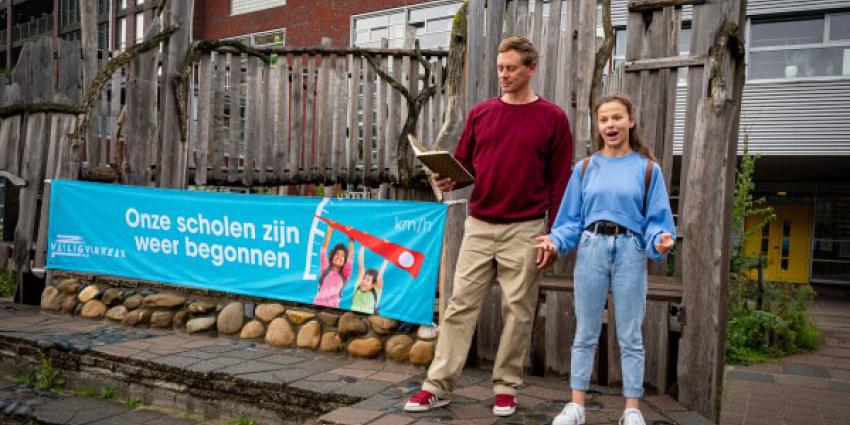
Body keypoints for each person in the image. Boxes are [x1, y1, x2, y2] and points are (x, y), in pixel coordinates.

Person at [404, 36, 573, 417]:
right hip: (479, 225)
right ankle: (437, 385)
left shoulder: (554, 118)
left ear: (532, 68)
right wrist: (450, 180)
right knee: (459, 306)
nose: (504, 75)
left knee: (519, 310)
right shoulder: (481, 113)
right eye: (500, 68)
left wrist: (554, 234)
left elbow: (561, 180)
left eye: (511, 68)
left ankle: (506, 388)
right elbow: (466, 167)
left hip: (527, 229)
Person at [535, 93, 676, 425]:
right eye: (604, 119)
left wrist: (661, 240)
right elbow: (569, 220)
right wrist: (555, 239)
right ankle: (577, 406)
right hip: (591, 249)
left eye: (617, 118)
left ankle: (631, 410)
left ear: (631, 121)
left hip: (630, 252)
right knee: (585, 331)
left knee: (630, 335)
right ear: (597, 125)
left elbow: (657, 221)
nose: (610, 125)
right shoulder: (584, 168)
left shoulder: (647, 170)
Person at [314, 227, 354, 309]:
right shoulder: (325, 269)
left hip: (332, 309)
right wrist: (330, 230)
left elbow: (350, 259)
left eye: (342, 256)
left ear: (344, 262)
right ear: (332, 256)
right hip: (318, 305)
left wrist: (351, 240)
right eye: (337, 254)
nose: (339, 257)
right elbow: (323, 251)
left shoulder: (345, 274)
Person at [350, 246, 388, 315]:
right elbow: (361, 265)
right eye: (364, 278)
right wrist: (362, 246)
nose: (364, 281)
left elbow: (380, 276)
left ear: (373, 285)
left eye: (368, 280)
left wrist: (387, 258)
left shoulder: (376, 290)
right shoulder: (358, 286)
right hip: (353, 316)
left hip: (367, 318)